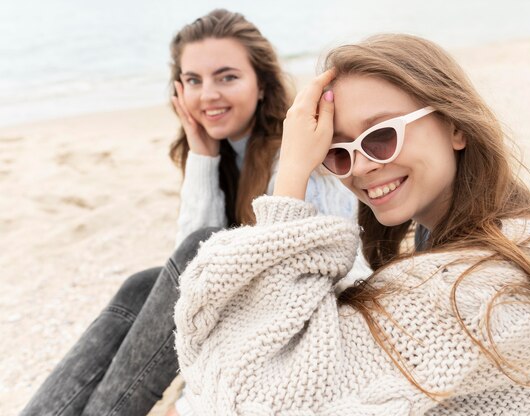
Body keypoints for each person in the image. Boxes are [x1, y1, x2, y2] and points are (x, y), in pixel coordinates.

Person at [173, 34, 530, 415]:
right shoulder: (507, 232)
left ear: (456, 126)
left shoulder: (488, 282)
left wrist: (291, 175)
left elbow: (254, 398)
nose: (361, 167)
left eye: (382, 135)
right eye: (338, 151)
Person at [20, 9, 356, 416]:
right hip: (251, 319)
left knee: (199, 249)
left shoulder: (299, 157)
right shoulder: (223, 156)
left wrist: (191, 401)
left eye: (227, 77)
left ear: (262, 84)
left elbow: (317, 283)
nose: (207, 95)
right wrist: (201, 155)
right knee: (142, 285)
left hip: (311, 330)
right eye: (193, 80)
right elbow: (188, 279)